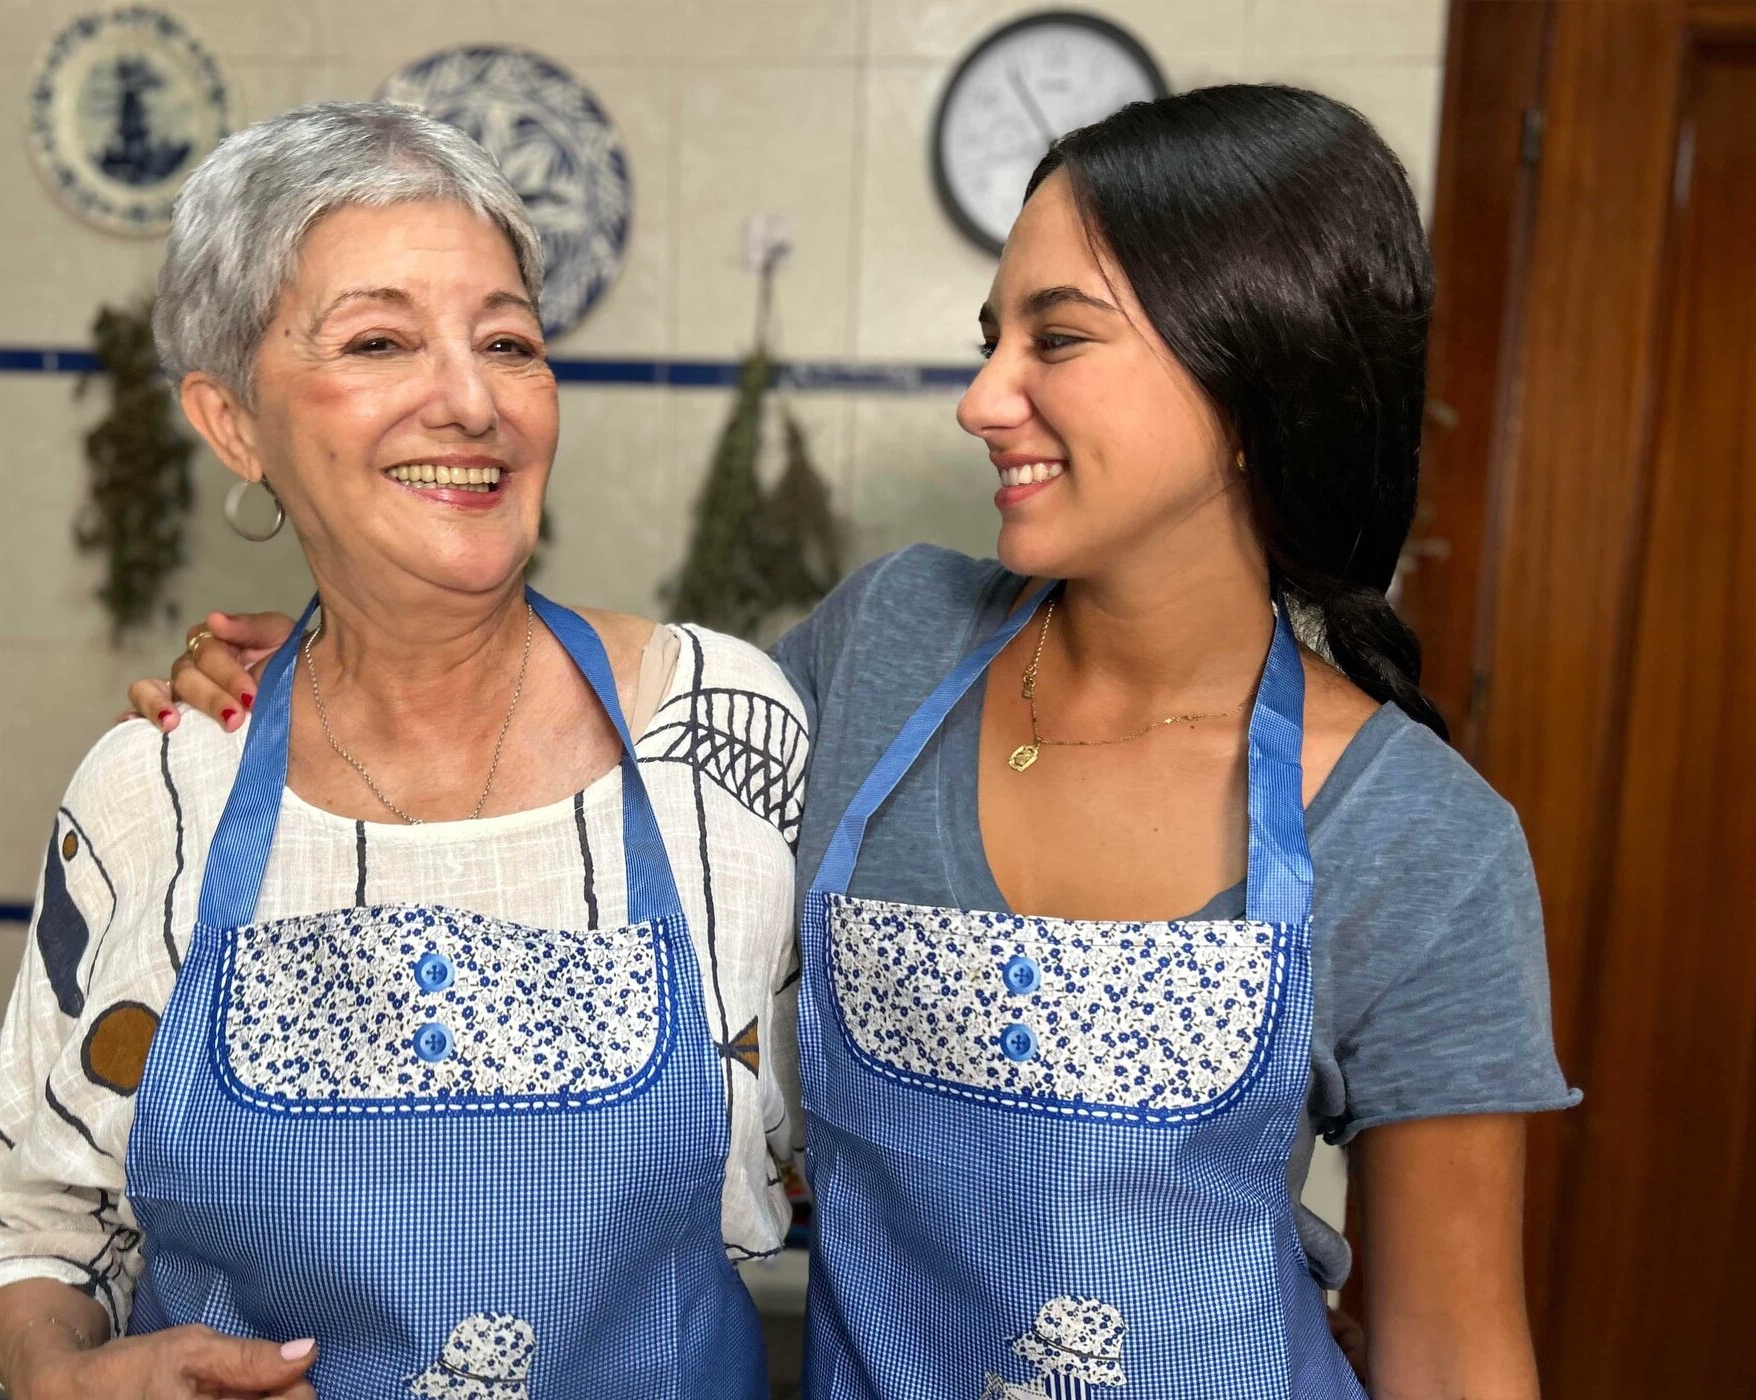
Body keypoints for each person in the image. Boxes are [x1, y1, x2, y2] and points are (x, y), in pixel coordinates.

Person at [148, 86, 1576, 1398]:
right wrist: (365, 648)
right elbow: (614, 745)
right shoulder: (893, 648)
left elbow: (1449, 1343)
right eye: (990, 338)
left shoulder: (1421, 838)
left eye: (1057, 339)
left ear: (1256, 382)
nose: (982, 397)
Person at [0, 102, 804, 1400]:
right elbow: (21, 1222)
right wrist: (67, 1381)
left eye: (508, 341)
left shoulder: (726, 744)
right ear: (234, 426)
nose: (469, 401)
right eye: (380, 340)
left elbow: (883, 1167)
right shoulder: (162, 791)